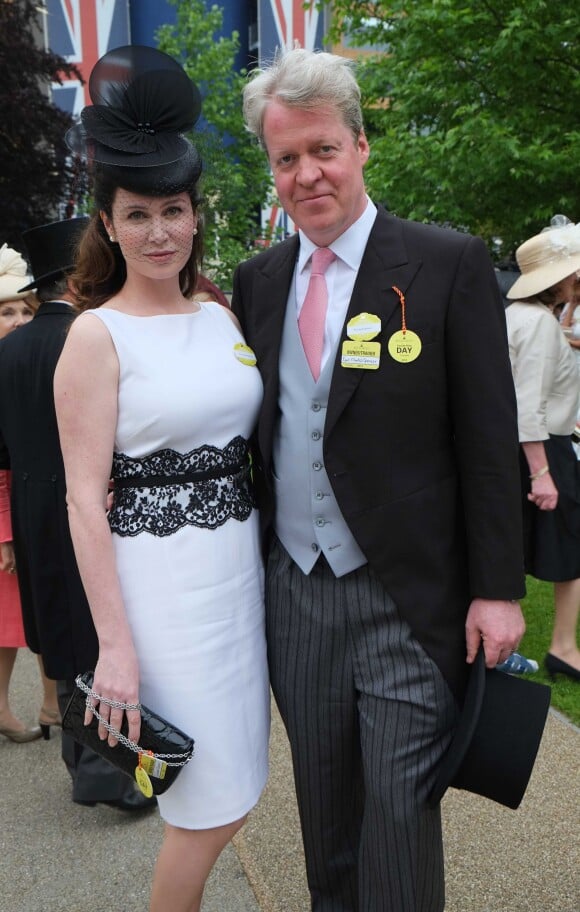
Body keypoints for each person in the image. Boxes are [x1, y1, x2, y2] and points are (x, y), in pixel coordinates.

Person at [232, 47, 525, 912]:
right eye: (287, 158)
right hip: (297, 591)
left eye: (322, 149)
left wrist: (500, 589)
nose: (306, 174)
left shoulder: (447, 263)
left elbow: (488, 439)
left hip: (407, 593)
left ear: (360, 145)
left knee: (400, 809)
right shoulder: (259, 281)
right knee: (324, 810)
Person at [53, 46, 269, 912]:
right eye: (137, 215)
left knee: (240, 786)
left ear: (194, 213)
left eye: (173, 211)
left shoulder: (220, 317)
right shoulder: (94, 338)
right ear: (107, 223)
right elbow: (81, 498)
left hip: (240, 589)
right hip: (162, 602)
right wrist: (116, 649)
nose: (159, 232)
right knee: (203, 808)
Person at [0, 220, 155, 810]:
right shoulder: (97, 337)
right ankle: (109, 772)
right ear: (78, 275)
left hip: (36, 505)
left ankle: (81, 762)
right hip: (100, 501)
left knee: (63, 635)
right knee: (106, 631)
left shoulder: (9, 349)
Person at [505, 216, 580, 683]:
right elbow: (525, 404)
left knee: (513, 546)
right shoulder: (536, 323)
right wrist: (542, 473)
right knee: (568, 551)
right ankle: (563, 648)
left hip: (537, 444)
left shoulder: (524, 316)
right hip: (540, 450)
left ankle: (549, 647)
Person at [0, 244, 59, 742]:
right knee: (13, 621)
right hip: (7, 512)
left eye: (24, 310)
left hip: (24, 505)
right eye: (6, 312)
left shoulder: (22, 359)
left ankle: (48, 704)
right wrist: (3, 532)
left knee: (32, 615)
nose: (18, 320)